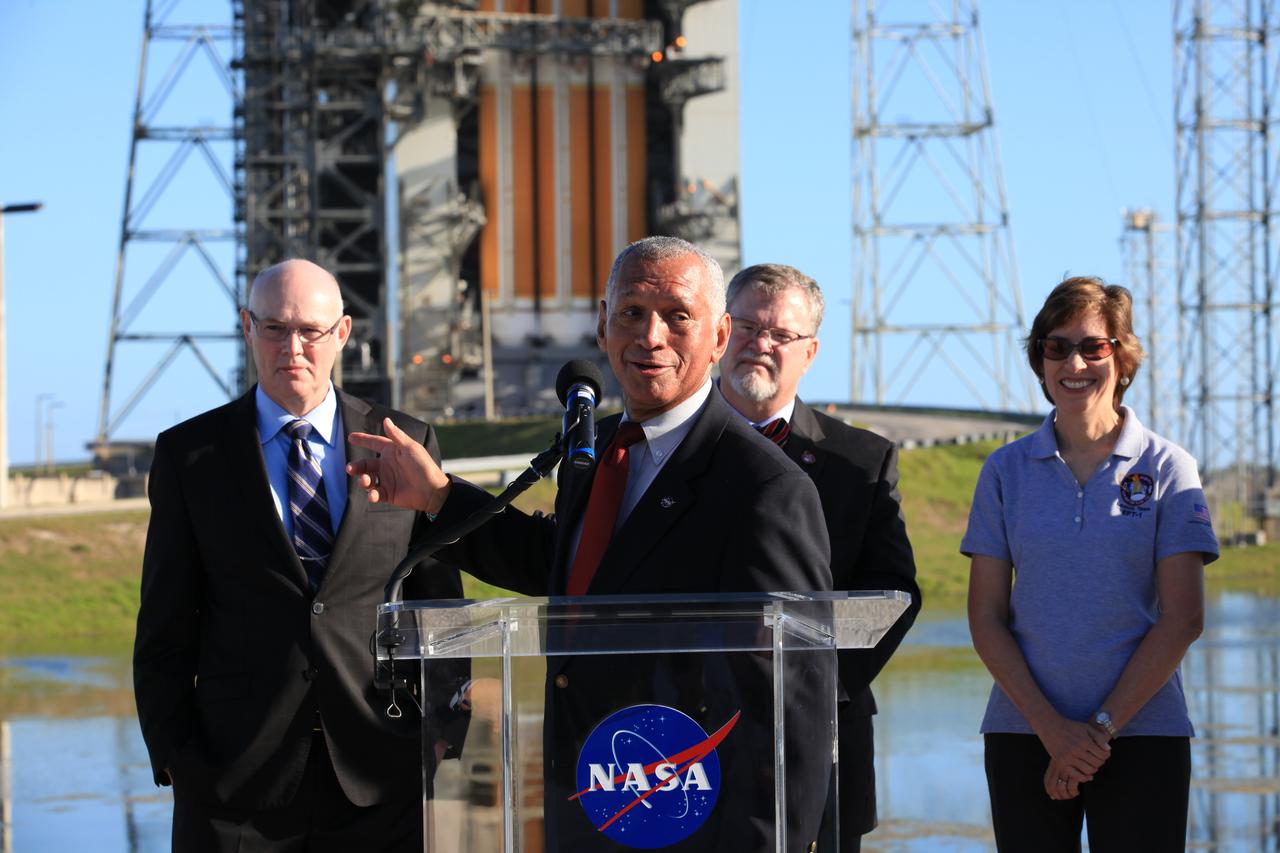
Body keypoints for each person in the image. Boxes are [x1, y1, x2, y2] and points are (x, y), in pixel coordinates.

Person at [347, 236, 834, 850]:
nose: (650, 336)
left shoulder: (765, 487)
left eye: (678, 317)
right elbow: (570, 569)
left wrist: (769, 841)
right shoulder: (596, 450)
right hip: (584, 799)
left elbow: (792, 698)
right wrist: (441, 496)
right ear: (603, 328)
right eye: (630, 312)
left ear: (719, 337)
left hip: (690, 817)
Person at [133, 259, 466, 852]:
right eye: (275, 328)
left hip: (378, 776)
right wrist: (175, 758)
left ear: (341, 334)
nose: (294, 347)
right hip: (232, 786)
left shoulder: (404, 443)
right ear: (247, 328)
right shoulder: (190, 456)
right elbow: (164, 624)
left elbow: (440, 606)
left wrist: (441, 731)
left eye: (310, 331)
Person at [962, 276, 1219, 851]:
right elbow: (984, 618)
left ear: (1121, 358)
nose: (1073, 362)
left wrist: (1096, 734)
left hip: (1143, 735)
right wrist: (1054, 733)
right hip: (1023, 732)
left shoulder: (1170, 468)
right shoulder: (1004, 472)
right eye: (1056, 347)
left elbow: (1183, 619)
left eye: (1093, 347)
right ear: (1041, 360)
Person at [718, 262, 921, 852]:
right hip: (682, 735)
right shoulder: (660, 444)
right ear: (719, 333)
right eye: (747, 327)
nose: (760, 344)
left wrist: (813, 689)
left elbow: (895, 595)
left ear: (809, 353)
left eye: (781, 335)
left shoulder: (861, 462)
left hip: (821, 740)